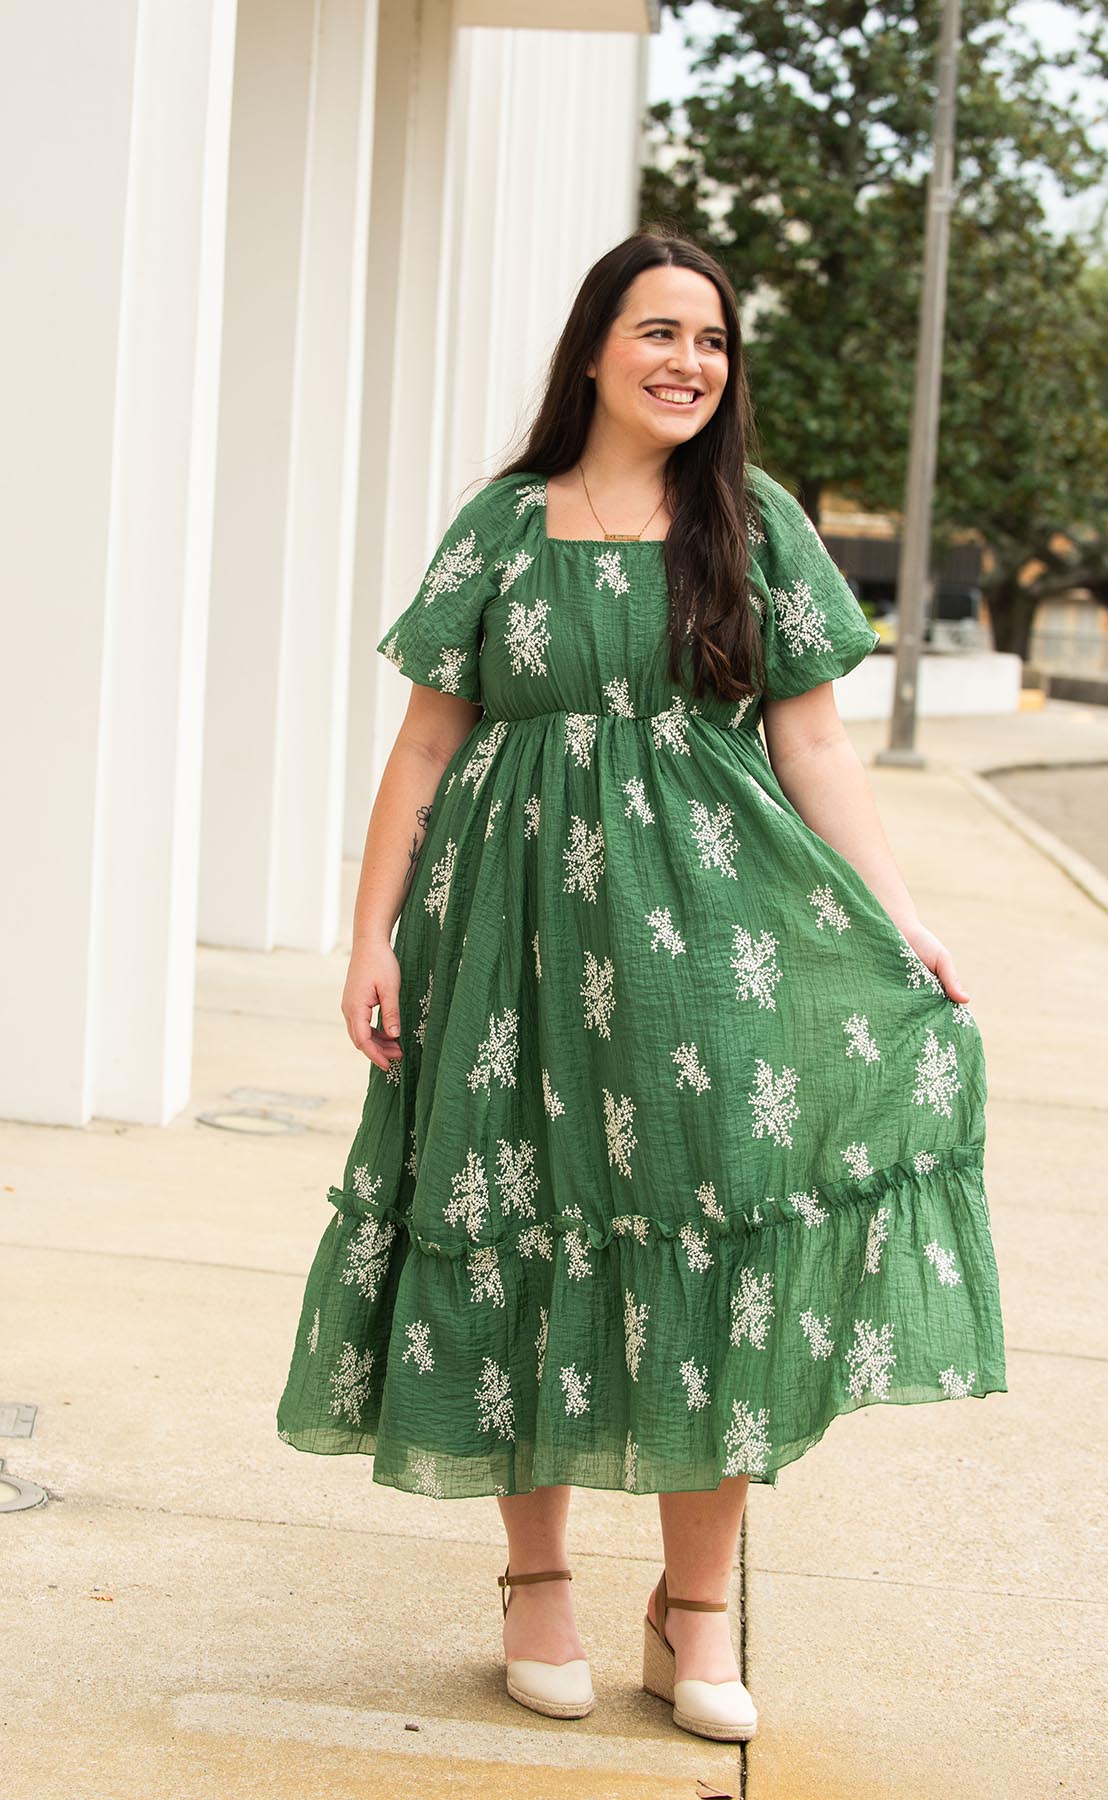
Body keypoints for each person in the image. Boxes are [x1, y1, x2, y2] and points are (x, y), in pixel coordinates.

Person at [275, 228, 1007, 1742]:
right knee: (513, 1211)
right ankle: (534, 1584)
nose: (690, 362)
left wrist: (901, 916)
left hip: (709, 938)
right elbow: (424, 747)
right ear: (595, 348)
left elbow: (811, 744)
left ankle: (694, 1613)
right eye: (660, 332)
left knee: (711, 1231)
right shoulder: (502, 526)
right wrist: (371, 938)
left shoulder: (751, 523)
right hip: (504, 939)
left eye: (715, 341)